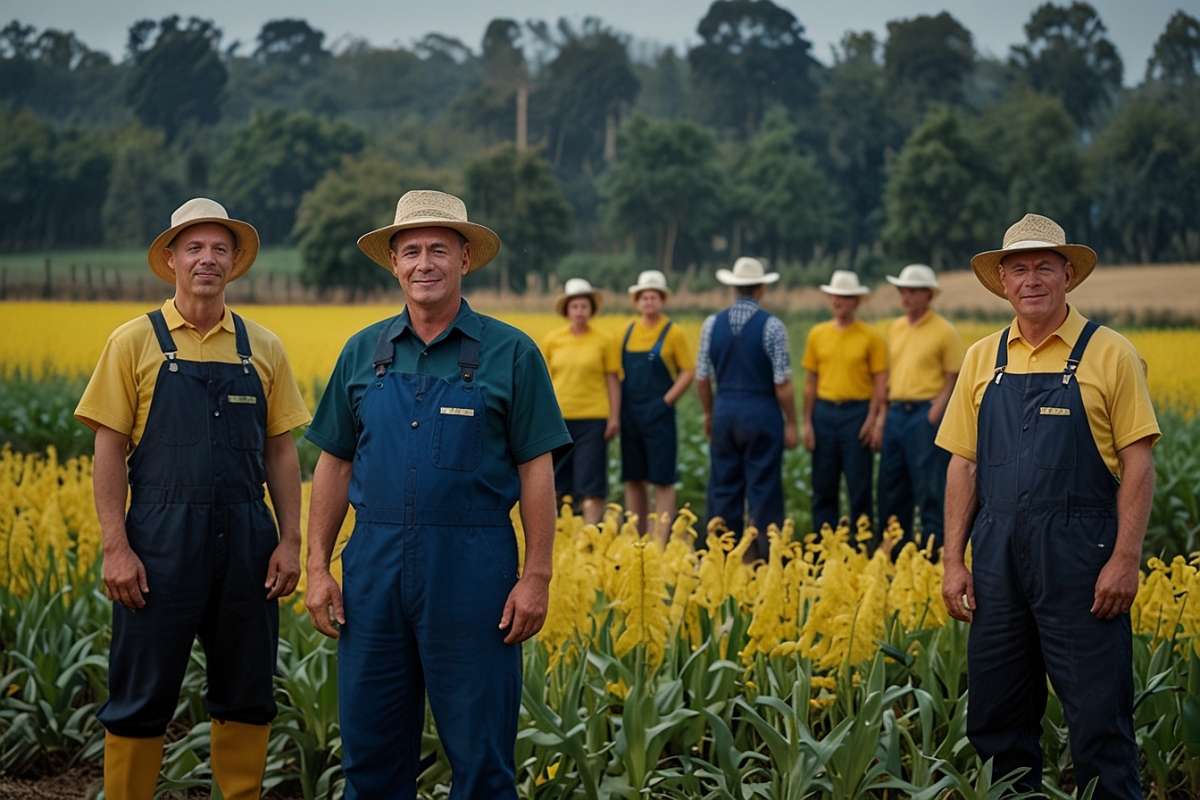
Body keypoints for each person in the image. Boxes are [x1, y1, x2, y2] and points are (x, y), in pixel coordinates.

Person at [302, 190, 571, 799]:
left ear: (465, 258)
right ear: (394, 263)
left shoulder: (512, 353)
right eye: (412, 251)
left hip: (475, 575)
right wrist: (318, 567)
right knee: (370, 762)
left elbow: (537, 472)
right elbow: (333, 466)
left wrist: (537, 576)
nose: (425, 264)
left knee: (481, 765)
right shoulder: (361, 353)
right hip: (372, 574)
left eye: (439, 251)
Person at [74, 198, 310, 800]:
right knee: (140, 694)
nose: (208, 259)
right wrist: (116, 547)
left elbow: (281, 451)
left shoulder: (262, 347)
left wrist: (289, 540)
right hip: (156, 543)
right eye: (195, 248)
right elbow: (108, 449)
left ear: (234, 262)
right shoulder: (132, 342)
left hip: (247, 543)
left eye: (220, 249)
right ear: (172, 258)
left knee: (247, 691)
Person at [938, 214, 1159, 800]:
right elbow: (962, 464)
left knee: (1097, 723)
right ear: (1002, 282)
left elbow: (1139, 463)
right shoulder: (983, 358)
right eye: (1018, 269)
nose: (1030, 279)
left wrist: (1126, 558)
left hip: (1082, 558)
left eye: (1043, 266)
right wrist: (952, 561)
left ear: (1067, 275)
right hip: (996, 559)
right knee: (997, 721)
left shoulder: (1111, 354)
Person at [696, 257, 798, 562]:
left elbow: (702, 377)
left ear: (733, 289)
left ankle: (724, 561)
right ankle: (766, 560)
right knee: (764, 488)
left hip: (726, 410)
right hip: (762, 411)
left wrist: (710, 414)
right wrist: (791, 422)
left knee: (724, 488)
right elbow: (782, 382)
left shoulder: (711, 324)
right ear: (761, 289)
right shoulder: (772, 326)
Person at [875, 264, 963, 553]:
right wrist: (883, 417)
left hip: (925, 415)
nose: (906, 297)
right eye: (903, 291)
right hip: (897, 414)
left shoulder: (944, 331)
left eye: (913, 291)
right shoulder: (896, 328)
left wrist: (934, 413)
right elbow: (889, 376)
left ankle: (931, 550)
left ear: (928, 295)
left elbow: (954, 376)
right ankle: (895, 551)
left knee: (929, 487)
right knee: (891, 484)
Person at [801, 270, 888, 534]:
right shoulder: (817, 334)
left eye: (846, 297)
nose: (839, 302)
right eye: (835, 297)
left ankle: (861, 546)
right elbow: (810, 383)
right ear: (830, 299)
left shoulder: (871, 337)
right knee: (823, 486)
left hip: (857, 414)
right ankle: (823, 547)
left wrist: (874, 420)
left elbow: (880, 384)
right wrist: (807, 421)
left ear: (856, 301)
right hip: (824, 413)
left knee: (859, 487)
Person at [620, 270, 695, 540]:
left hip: (659, 414)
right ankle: (636, 535)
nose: (649, 302)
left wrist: (668, 399)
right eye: (644, 297)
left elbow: (688, 371)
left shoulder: (673, 332)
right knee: (633, 477)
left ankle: (661, 539)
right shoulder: (627, 331)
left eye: (653, 297)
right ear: (637, 301)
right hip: (630, 414)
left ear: (662, 300)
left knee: (663, 478)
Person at [542, 277, 621, 525]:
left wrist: (614, 417)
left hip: (594, 419)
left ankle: (590, 537)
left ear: (591, 310)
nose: (579, 311)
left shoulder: (604, 340)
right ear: (567, 310)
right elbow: (545, 383)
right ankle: (562, 536)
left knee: (591, 482)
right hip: (559, 420)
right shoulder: (553, 340)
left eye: (584, 306)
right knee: (558, 482)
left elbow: (612, 380)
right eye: (574, 306)